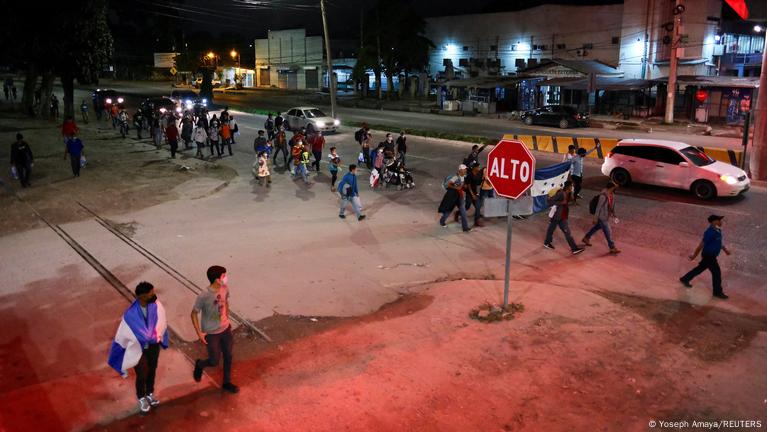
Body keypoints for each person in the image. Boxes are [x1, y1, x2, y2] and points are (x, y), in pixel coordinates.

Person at [107, 282, 169, 414]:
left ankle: (150, 393)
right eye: (150, 293)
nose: (154, 295)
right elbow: (124, 333)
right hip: (137, 349)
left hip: (153, 346)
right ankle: (141, 397)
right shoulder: (130, 315)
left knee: (152, 370)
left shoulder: (156, 306)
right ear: (141, 296)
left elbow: (162, 321)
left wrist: (157, 337)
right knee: (142, 374)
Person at [191, 266, 239, 394]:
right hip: (212, 334)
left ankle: (226, 383)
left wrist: (226, 318)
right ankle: (200, 364)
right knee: (214, 361)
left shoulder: (225, 289)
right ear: (217, 280)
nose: (226, 277)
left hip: (225, 329)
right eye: (224, 275)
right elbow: (194, 314)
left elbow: (225, 302)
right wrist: (200, 333)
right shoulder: (204, 296)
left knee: (228, 356)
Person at [679, 215, 732, 300]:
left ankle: (685, 279)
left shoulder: (718, 230)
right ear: (714, 221)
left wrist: (725, 250)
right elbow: (701, 245)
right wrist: (694, 256)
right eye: (719, 220)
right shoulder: (709, 232)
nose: (721, 222)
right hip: (709, 256)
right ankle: (717, 292)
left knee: (700, 268)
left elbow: (719, 242)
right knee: (716, 273)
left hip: (711, 256)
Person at [543, 180, 585, 255]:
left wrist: (571, 195)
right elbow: (549, 201)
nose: (573, 187)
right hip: (558, 216)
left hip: (562, 216)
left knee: (551, 229)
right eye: (572, 186)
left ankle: (547, 242)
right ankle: (574, 248)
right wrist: (561, 203)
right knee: (566, 232)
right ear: (569, 186)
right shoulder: (561, 193)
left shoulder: (568, 193)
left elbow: (571, 201)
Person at [582, 181, 621, 254]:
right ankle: (612, 247)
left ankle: (586, 238)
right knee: (608, 232)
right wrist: (595, 217)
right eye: (614, 187)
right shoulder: (603, 196)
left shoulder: (612, 194)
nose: (616, 188)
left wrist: (614, 214)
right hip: (602, 217)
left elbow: (611, 205)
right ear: (611, 187)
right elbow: (598, 207)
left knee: (597, 227)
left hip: (606, 216)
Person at [438, 165, 471, 232]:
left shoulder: (464, 176)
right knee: (448, 211)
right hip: (453, 197)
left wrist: (464, 187)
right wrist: (456, 188)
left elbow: (462, 186)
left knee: (463, 212)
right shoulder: (455, 177)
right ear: (460, 170)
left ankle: (465, 228)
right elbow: (449, 184)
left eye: (466, 169)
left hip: (460, 197)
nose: (466, 170)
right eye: (464, 169)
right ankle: (442, 221)